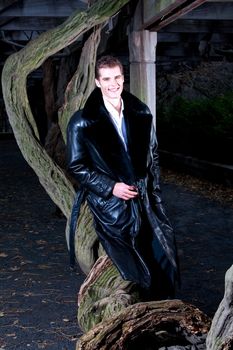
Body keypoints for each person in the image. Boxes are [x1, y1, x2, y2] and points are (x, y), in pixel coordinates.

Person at [67, 55, 179, 299]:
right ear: (97, 82)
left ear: (123, 77)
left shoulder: (140, 111)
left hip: (144, 197)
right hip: (112, 205)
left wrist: (154, 192)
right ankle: (138, 312)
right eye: (106, 78)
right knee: (132, 262)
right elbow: (76, 166)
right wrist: (111, 187)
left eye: (117, 77)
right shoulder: (82, 121)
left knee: (161, 254)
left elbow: (153, 156)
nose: (113, 83)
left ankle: (164, 309)